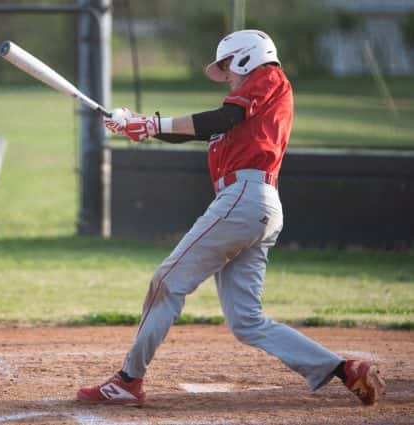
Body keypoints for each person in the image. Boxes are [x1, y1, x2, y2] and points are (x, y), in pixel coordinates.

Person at [77, 30, 385, 406]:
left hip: (244, 198)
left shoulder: (267, 78)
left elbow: (223, 118)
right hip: (254, 205)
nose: (228, 76)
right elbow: (202, 129)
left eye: (228, 67)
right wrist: (139, 124)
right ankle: (343, 369)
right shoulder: (248, 113)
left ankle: (128, 380)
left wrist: (154, 124)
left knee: (167, 282)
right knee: (246, 321)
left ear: (246, 57)